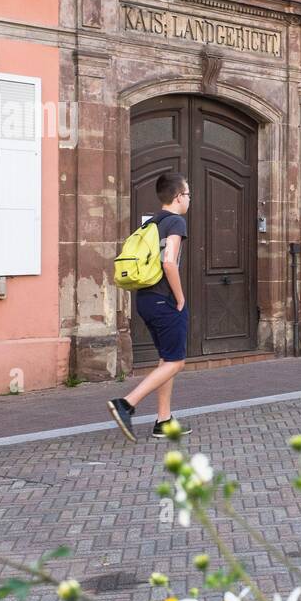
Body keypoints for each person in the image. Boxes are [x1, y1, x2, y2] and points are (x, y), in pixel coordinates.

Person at [108, 172, 193, 442]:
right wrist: (179, 297)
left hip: (144, 298)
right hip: (164, 299)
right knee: (176, 362)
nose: (189, 199)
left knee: (166, 359)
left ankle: (164, 420)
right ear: (179, 196)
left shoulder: (150, 224)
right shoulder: (176, 223)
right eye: (188, 194)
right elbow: (169, 262)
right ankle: (126, 404)